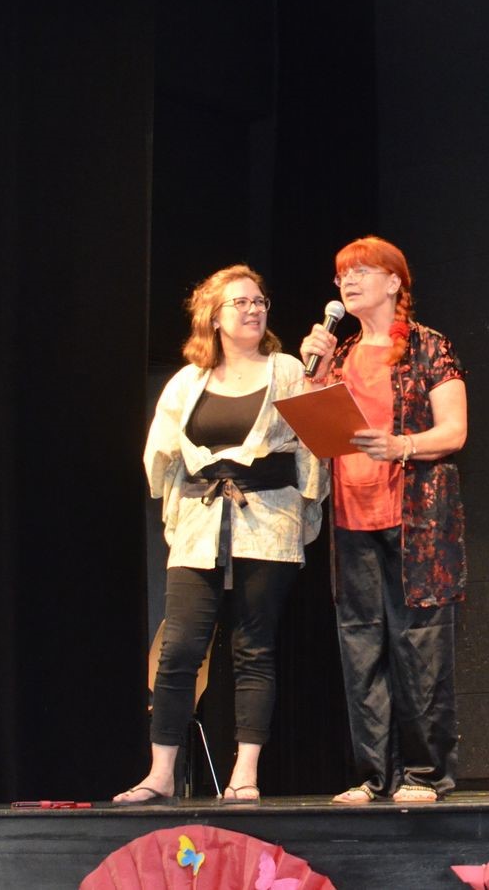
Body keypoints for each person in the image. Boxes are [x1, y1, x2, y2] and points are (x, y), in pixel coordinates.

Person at [115, 265, 328, 805]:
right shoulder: (188, 381)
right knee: (180, 648)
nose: (254, 310)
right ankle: (160, 773)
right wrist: (178, 499)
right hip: (201, 523)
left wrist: (307, 504)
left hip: (268, 521)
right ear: (213, 317)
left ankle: (245, 773)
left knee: (253, 647)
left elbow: (314, 444)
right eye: (241, 302)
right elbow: (160, 453)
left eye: (260, 301)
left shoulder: (287, 370)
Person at [299, 236, 467, 805]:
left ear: (394, 282)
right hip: (352, 517)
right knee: (361, 648)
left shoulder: (429, 346)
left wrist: (401, 445)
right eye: (342, 275)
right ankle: (376, 776)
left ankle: (425, 775)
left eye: (361, 272)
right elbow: (315, 429)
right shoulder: (339, 352)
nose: (348, 282)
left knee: (420, 648)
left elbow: (454, 431)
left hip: (416, 520)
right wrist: (314, 373)